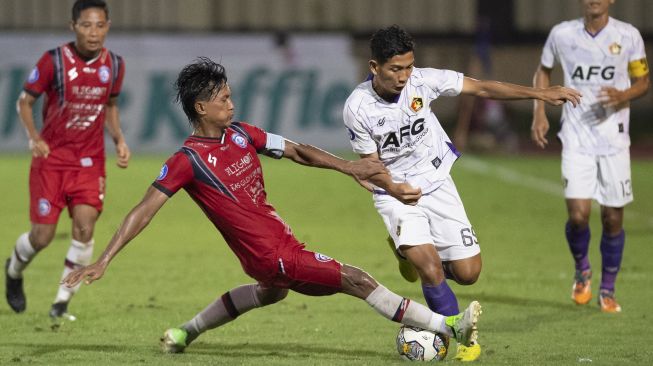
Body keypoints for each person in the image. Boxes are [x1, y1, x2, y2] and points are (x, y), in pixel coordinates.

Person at [62, 58, 482, 354]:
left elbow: (297, 151)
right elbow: (144, 210)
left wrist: (347, 167)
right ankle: (447, 325)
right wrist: (104, 259)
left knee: (270, 295)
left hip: (277, 241)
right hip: (271, 253)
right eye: (223, 99)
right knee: (356, 279)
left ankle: (184, 333)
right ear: (200, 107)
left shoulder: (243, 134)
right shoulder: (186, 161)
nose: (232, 103)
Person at [343, 25, 581, 361]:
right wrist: (393, 188)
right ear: (374, 67)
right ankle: (465, 338)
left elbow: (482, 88)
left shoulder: (424, 81)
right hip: (396, 193)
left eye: (408, 66)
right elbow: (371, 165)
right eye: (395, 69)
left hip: (438, 182)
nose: (403, 76)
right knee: (430, 268)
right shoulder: (358, 107)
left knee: (469, 274)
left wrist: (539, 94)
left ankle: (405, 257)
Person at [4, 0, 129, 322]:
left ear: (108, 27)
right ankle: (14, 270)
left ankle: (61, 302)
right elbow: (24, 102)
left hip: (89, 162)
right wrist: (34, 137)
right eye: (86, 25)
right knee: (41, 237)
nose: (93, 32)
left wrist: (118, 139)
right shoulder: (54, 61)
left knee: (85, 227)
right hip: (52, 162)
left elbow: (110, 106)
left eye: (100, 25)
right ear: (72, 26)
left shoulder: (114, 65)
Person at [531, 0, 649, 313]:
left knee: (612, 218)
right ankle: (582, 269)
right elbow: (543, 71)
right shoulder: (562, 34)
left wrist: (623, 95)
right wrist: (539, 111)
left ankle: (607, 289)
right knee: (578, 214)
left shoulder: (628, 35)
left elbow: (643, 82)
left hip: (614, 139)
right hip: (576, 138)